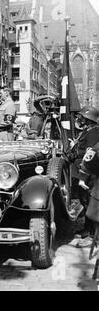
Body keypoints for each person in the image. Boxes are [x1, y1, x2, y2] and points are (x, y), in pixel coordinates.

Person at [68, 106, 99, 247]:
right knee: (85, 202)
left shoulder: (93, 132)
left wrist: (83, 177)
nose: (78, 119)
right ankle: (88, 229)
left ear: (87, 119)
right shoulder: (87, 130)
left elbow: (89, 156)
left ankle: (93, 236)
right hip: (82, 170)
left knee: (90, 204)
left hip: (87, 172)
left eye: (81, 117)